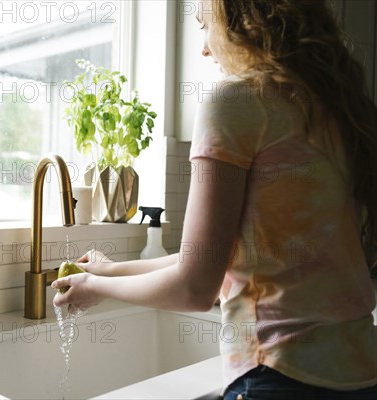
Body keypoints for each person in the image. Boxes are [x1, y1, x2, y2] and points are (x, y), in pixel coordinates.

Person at [52, 0, 377, 398]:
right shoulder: (333, 110)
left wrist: (95, 289)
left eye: (206, 25)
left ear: (242, 21)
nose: (204, 48)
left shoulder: (237, 100)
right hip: (360, 371)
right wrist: (107, 272)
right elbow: (227, 257)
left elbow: (194, 287)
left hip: (280, 373)